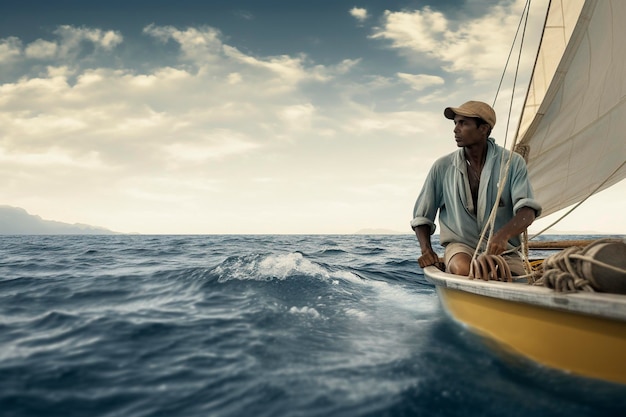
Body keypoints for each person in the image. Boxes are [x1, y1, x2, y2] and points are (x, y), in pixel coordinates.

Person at [411, 101, 542, 276]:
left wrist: (502, 236)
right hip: (460, 248)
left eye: (463, 123)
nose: (456, 129)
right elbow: (422, 217)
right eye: (455, 123)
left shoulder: (512, 162)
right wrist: (426, 251)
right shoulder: (442, 167)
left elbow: (527, 212)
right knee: (464, 270)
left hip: (504, 252)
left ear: (484, 129)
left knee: (513, 277)